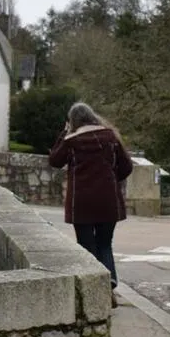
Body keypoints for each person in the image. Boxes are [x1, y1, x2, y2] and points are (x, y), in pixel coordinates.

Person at [48, 102, 134, 309]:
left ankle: (97, 288)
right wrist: (112, 179)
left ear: (73, 122)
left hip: (82, 202)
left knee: (87, 246)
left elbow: (55, 161)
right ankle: (109, 283)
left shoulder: (71, 142)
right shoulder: (110, 138)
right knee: (105, 243)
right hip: (108, 201)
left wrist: (64, 132)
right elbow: (126, 167)